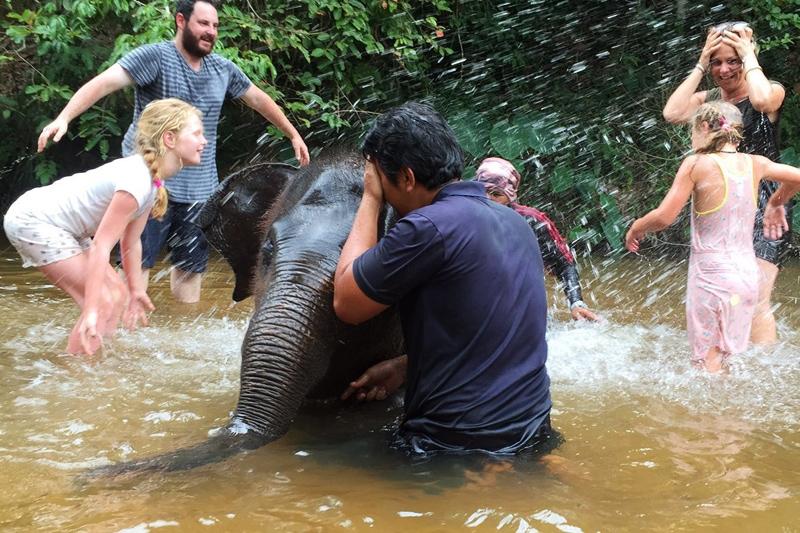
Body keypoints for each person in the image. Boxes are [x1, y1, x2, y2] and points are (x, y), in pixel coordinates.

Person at [37, 0, 310, 304]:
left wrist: (293, 134)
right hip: (148, 182)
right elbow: (103, 84)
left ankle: (178, 335)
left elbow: (259, 99)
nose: (211, 32)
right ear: (181, 21)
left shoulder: (222, 69)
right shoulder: (154, 57)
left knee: (191, 268)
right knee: (134, 262)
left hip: (200, 189)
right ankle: (127, 334)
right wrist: (64, 117)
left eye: (215, 26)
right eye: (203, 24)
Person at [332, 102, 553, 455]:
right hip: (532, 431)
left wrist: (371, 199)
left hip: (454, 445)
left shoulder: (426, 226)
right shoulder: (516, 223)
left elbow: (347, 301)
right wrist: (408, 366)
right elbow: (494, 330)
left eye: (384, 181)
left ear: (406, 178)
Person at [5, 98, 207, 355]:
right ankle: (78, 377)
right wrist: (90, 309)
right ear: (169, 139)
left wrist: (135, 290)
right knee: (102, 303)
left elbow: (131, 242)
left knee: (118, 296)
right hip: (34, 222)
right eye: (197, 133)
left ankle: (96, 364)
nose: (204, 141)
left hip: (64, 228)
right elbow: (102, 245)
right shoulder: (136, 181)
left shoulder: (152, 182)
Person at [625, 102, 800, 372]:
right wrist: (777, 202)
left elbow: (664, 217)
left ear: (705, 127)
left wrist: (637, 226)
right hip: (746, 277)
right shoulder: (755, 163)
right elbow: (797, 177)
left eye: (692, 131)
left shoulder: (696, 164)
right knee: (731, 359)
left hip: (711, 279)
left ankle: (712, 417)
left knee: (706, 366)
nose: (692, 138)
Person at [662, 20, 788, 344]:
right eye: (717, 62)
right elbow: (672, 113)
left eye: (732, 60)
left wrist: (748, 55)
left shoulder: (770, 90)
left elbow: (761, 102)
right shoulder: (709, 103)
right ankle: (724, 361)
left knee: (757, 297)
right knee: (724, 293)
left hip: (762, 205)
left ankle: (761, 372)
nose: (724, 69)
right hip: (719, 210)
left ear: (747, 58)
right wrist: (700, 63)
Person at [474, 157, 599, 321]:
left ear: (510, 196)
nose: (488, 199)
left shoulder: (532, 221)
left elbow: (564, 264)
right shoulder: (465, 219)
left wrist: (576, 303)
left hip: (524, 312)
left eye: (496, 194)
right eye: (483, 192)